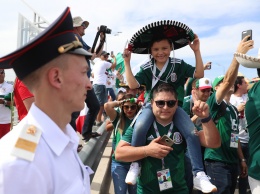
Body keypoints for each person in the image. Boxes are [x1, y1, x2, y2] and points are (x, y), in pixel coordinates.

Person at [0, 7, 94, 193]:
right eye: (84, 73)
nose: (89, 85)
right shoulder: (22, 164)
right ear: (56, 78)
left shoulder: (64, 133)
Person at [123, 20, 216, 192]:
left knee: (191, 132)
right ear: (150, 51)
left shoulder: (178, 64)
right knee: (141, 126)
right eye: (156, 49)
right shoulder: (146, 67)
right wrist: (127, 63)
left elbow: (199, 74)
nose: (160, 52)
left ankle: (199, 175)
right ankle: (135, 165)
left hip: (175, 107)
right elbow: (133, 85)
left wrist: (196, 51)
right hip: (152, 107)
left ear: (171, 48)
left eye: (164, 48)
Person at [115, 83, 220, 194]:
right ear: (152, 103)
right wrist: (147, 150)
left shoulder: (184, 126)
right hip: (147, 191)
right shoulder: (141, 126)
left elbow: (214, 143)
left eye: (170, 103)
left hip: (179, 190)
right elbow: (119, 153)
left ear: (176, 104)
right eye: (160, 103)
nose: (165, 107)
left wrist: (205, 117)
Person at [204, 36, 253, 194]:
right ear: (217, 87)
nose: (230, 83)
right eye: (224, 83)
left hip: (232, 161)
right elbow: (227, 81)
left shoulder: (232, 108)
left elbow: (235, 137)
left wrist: (242, 159)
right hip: (217, 161)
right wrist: (237, 56)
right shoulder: (215, 103)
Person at [72, 16, 102, 142]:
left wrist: (101, 40)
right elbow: (86, 54)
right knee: (74, 112)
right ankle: (72, 139)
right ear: (76, 26)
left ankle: (86, 132)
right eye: (82, 25)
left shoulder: (80, 39)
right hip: (78, 80)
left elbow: (95, 53)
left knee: (94, 105)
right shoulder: (72, 37)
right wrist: (91, 55)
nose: (84, 28)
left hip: (85, 80)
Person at [182, 77, 213, 193]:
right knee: (189, 179)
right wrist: (199, 114)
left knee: (205, 180)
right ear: (195, 90)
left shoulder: (211, 101)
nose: (206, 93)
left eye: (208, 90)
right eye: (203, 90)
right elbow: (184, 124)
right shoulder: (187, 101)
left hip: (206, 144)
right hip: (190, 145)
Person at [104, 93, 139, 194]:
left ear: (136, 108)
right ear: (122, 107)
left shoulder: (141, 119)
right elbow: (107, 106)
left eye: (132, 107)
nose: (129, 109)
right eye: (126, 107)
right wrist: (121, 102)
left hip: (135, 164)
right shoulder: (118, 119)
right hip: (119, 164)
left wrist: (138, 102)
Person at [230, 75, 250, 194]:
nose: (247, 84)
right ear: (239, 85)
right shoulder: (231, 99)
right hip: (236, 140)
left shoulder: (247, 97)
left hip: (248, 139)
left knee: (245, 170)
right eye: (244, 83)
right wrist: (237, 110)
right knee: (235, 170)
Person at [92, 51, 116, 126]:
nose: (106, 58)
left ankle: (96, 119)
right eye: (105, 56)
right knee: (102, 104)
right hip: (100, 85)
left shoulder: (96, 64)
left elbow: (92, 75)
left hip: (96, 84)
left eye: (107, 56)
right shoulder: (103, 63)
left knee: (99, 103)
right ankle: (98, 120)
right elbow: (114, 65)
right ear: (101, 56)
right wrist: (114, 57)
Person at [0, 69, 13, 138]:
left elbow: (16, 103)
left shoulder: (10, 87)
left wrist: (3, 102)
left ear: (4, 74)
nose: (0, 74)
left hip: (5, 121)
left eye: (2, 72)